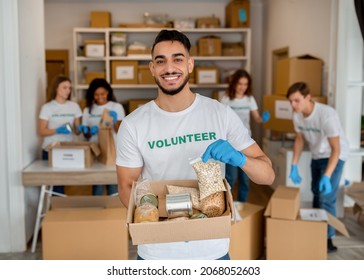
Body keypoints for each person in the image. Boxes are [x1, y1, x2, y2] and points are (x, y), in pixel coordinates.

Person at [116, 29, 275, 260]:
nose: (169, 68)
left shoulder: (221, 114)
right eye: (161, 61)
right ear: (152, 68)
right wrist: (177, 221)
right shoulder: (133, 124)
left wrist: (240, 159)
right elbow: (126, 188)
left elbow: (267, 176)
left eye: (178, 59)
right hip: (158, 252)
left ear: (190, 64)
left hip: (212, 251)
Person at [286, 82, 349, 253]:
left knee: (326, 197)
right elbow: (299, 139)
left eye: (297, 101)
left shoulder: (326, 115)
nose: (293, 105)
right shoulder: (297, 115)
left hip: (334, 156)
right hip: (317, 155)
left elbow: (337, 149)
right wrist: (294, 165)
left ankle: (327, 239)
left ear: (308, 97)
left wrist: (328, 175)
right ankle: (315, 230)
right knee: (316, 193)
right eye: (291, 101)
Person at [220, 69, 270, 202]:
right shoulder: (226, 99)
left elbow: (257, 118)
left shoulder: (249, 99)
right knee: (230, 177)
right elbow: (221, 121)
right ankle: (228, 205)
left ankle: (241, 206)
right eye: (240, 83)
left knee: (245, 178)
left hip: (246, 143)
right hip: (230, 143)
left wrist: (262, 119)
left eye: (245, 84)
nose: (242, 87)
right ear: (234, 83)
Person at [78, 78, 125, 195]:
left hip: (111, 151)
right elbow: (86, 135)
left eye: (102, 93)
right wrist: (87, 131)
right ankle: (96, 211)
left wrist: (114, 121)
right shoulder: (88, 110)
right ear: (92, 95)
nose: (100, 97)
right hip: (95, 151)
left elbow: (121, 131)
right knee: (97, 184)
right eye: (97, 94)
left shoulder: (116, 107)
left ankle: (112, 211)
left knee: (112, 185)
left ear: (108, 92)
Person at [38, 75, 82, 194]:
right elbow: (41, 131)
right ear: (56, 88)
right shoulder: (47, 108)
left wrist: (82, 129)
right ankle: (53, 209)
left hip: (68, 149)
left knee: (63, 183)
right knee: (53, 184)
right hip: (50, 149)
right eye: (64, 87)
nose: (68, 90)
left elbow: (77, 130)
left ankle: (60, 208)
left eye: (69, 88)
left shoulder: (74, 106)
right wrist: (58, 130)